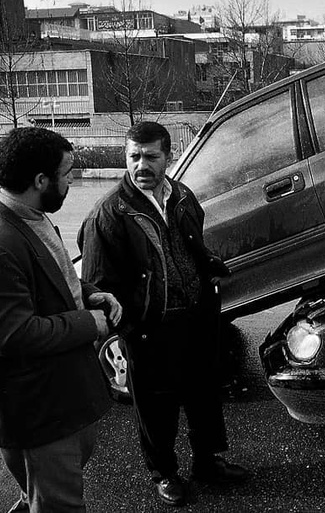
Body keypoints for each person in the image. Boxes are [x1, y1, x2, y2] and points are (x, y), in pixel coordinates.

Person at [78, 121, 246, 508]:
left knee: (204, 395)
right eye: (133, 156)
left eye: (151, 156)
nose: (141, 165)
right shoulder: (109, 213)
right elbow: (97, 285)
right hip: (152, 329)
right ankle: (165, 474)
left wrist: (208, 266)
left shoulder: (183, 196)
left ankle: (208, 462)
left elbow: (192, 244)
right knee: (157, 408)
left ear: (168, 157)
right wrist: (129, 326)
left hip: (198, 317)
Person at [0, 127, 122, 513]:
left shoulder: (30, 216)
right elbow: (15, 333)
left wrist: (87, 292)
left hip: (61, 398)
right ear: (40, 180)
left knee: (45, 497)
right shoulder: (3, 241)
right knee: (59, 505)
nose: (71, 181)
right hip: (41, 410)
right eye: (67, 173)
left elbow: (51, 275)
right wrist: (91, 322)